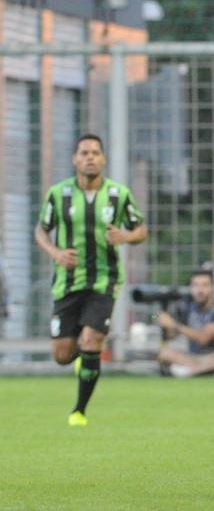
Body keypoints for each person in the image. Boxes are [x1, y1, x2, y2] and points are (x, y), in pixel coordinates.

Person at [34, 133, 147, 426]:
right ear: (75, 159)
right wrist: (56, 252)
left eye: (96, 152)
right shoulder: (58, 194)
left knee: (92, 338)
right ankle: (84, 358)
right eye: (84, 152)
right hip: (67, 283)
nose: (90, 157)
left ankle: (79, 411)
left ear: (104, 159)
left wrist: (125, 236)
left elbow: (141, 230)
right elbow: (41, 230)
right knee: (62, 354)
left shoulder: (118, 195)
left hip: (104, 281)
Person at [156, 269, 214, 377]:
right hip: (195, 358)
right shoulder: (188, 308)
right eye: (196, 285)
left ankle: (193, 370)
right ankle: (200, 370)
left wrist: (174, 325)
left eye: (205, 285)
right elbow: (171, 336)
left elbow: (204, 338)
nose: (200, 290)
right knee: (165, 352)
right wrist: (164, 321)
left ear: (213, 287)